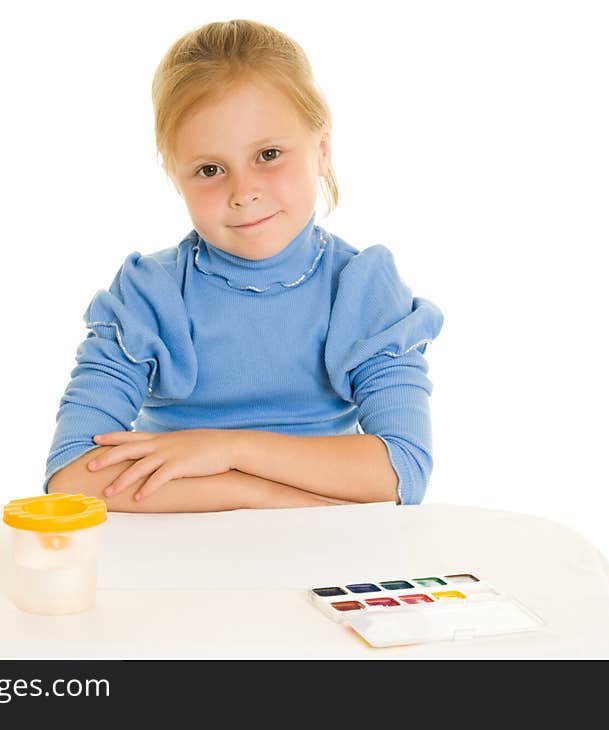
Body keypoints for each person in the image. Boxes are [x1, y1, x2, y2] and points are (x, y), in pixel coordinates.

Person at [45, 19, 443, 512]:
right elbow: (70, 476)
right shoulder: (151, 294)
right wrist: (254, 495)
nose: (243, 192)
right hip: (180, 554)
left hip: (321, 558)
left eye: (269, 154)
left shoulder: (359, 288)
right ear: (174, 174)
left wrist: (226, 448)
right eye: (210, 170)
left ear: (321, 148)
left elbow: (403, 469)